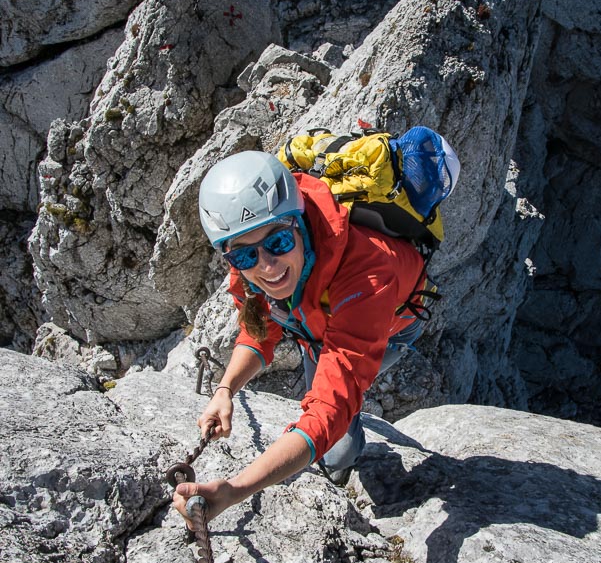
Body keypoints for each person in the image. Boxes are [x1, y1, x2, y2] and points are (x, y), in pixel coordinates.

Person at [172, 150, 433, 525]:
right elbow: (258, 330)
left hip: (390, 323)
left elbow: (328, 408)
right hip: (320, 326)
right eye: (246, 256)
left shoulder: (367, 274)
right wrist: (225, 389)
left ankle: (342, 465)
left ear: (299, 224)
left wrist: (235, 491)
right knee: (328, 400)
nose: (266, 265)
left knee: (338, 448)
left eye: (278, 242)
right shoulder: (247, 266)